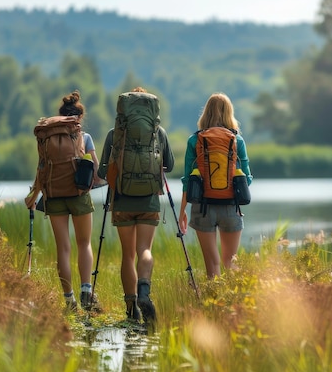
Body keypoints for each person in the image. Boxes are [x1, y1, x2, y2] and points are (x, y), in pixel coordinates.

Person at [97, 87, 174, 326]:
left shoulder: (114, 134)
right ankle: (144, 292)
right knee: (144, 251)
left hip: (122, 200)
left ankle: (131, 309)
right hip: (149, 199)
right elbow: (169, 165)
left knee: (127, 255)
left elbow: (101, 172)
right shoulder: (157, 132)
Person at [27, 90, 101, 312]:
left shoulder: (47, 137)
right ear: (78, 118)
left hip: (54, 196)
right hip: (79, 195)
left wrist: (33, 196)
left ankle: (69, 300)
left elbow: (42, 168)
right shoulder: (84, 137)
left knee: (63, 248)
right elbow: (96, 171)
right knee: (84, 243)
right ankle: (86, 289)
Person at [179, 92, 253, 279]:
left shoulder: (194, 140)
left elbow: (188, 179)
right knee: (230, 262)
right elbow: (247, 178)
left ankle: (213, 305)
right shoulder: (237, 140)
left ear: (206, 113)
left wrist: (182, 212)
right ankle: (234, 305)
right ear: (229, 113)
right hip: (230, 207)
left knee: (212, 266)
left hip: (203, 208)